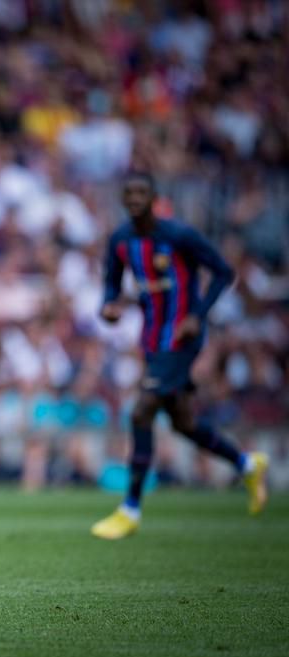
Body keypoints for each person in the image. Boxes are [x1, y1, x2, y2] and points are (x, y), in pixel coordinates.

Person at [90, 171, 269, 540]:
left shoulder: (179, 236)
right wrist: (109, 305)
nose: (135, 199)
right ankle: (247, 463)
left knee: (141, 411)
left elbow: (222, 272)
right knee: (183, 422)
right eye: (129, 194)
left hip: (182, 337)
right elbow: (111, 281)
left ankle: (130, 508)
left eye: (142, 193)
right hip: (153, 339)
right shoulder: (121, 241)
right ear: (124, 200)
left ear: (154, 197)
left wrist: (196, 315)